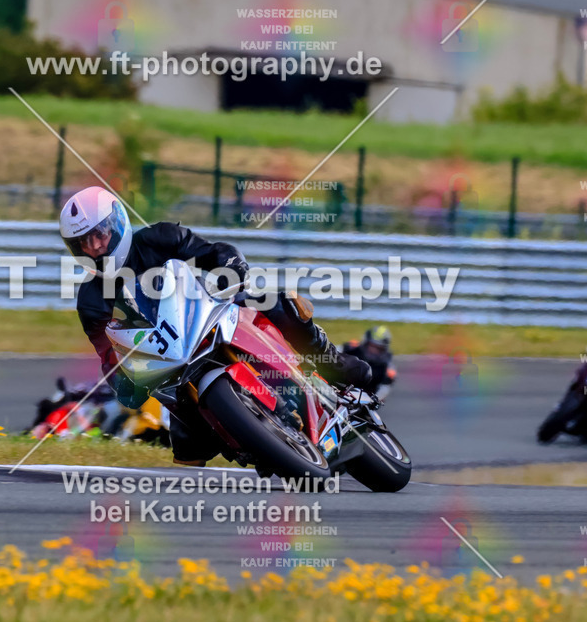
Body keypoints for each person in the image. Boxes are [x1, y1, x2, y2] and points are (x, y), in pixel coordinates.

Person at [60, 186, 373, 466]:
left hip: (209, 312)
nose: (96, 247)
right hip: (169, 368)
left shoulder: (158, 238)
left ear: (118, 224)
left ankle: (331, 362)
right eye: (83, 243)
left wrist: (230, 263)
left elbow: (207, 252)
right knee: (187, 452)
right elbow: (107, 354)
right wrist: (122, 382)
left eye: (100, 234)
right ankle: (254, 437)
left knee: (279, 304)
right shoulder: (91, 300)